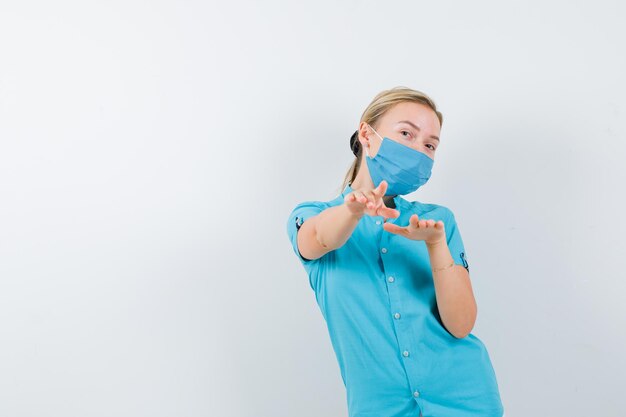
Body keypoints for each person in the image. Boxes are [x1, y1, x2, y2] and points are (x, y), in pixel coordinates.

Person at [285, 86, 504, 417]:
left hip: (466, 401)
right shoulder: (312, 216)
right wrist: (354, 210)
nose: (419, 150)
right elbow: (318, 238)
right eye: (406, 134)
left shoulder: (438, 222)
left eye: (429, 145)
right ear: (367, 135)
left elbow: (461, 325)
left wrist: (435, 246)